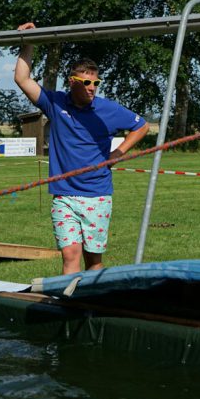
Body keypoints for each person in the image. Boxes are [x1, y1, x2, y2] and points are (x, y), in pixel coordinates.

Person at [14, 23, 149, 275]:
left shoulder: (108, 109)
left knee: (93, 261)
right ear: (72, 81)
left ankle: (92, 298)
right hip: (64, 195)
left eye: (95, 82)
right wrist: (28, 41)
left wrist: (118, 153)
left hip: (97, 195)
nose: (92, 87)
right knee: (70, 255)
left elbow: (141, 126)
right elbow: (22, 79)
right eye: (86, 82)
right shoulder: (55, 103)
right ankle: (70, 298)